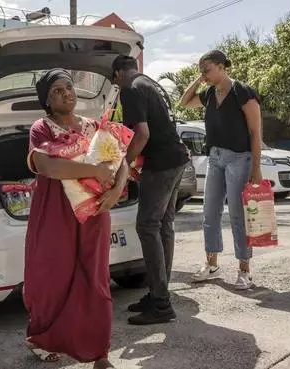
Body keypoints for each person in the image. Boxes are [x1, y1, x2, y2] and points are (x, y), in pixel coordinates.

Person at [23, 68, 128, 369]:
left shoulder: (94, 126)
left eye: (68, 87)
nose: (66, 93)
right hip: (54, 211)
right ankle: (41, 337)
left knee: (95, 277)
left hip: (94, 210)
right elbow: (48, 167)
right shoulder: (40, 128)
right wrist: (94, 171)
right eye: (56, 90)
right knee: (52, 275)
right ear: (46, 99)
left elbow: (119, 159)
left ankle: (100, 353)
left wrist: (117, 189)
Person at [112, 55, 190, 325]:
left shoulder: (129, 89)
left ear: (119, 73)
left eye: (114, 80)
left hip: (162, 164)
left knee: (147, 226)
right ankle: (158, 293)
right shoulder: (151, 84)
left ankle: (160, 304)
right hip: (177, 159)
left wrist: (123, 164)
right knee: (163, 225)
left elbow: (142, 135)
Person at [179, 49, 263, 290]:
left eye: (207, 70)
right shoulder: (208, 95)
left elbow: (256, 133)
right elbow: (184, 101)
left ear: (221, 66)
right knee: (209, 212)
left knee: (237, 215)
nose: (204, 75)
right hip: (215, 158)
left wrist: (256, 169)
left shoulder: (242, 92)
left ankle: (244, 270)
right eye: (201, 71)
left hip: (239, 158)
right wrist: (199, 79)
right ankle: (211, 263)